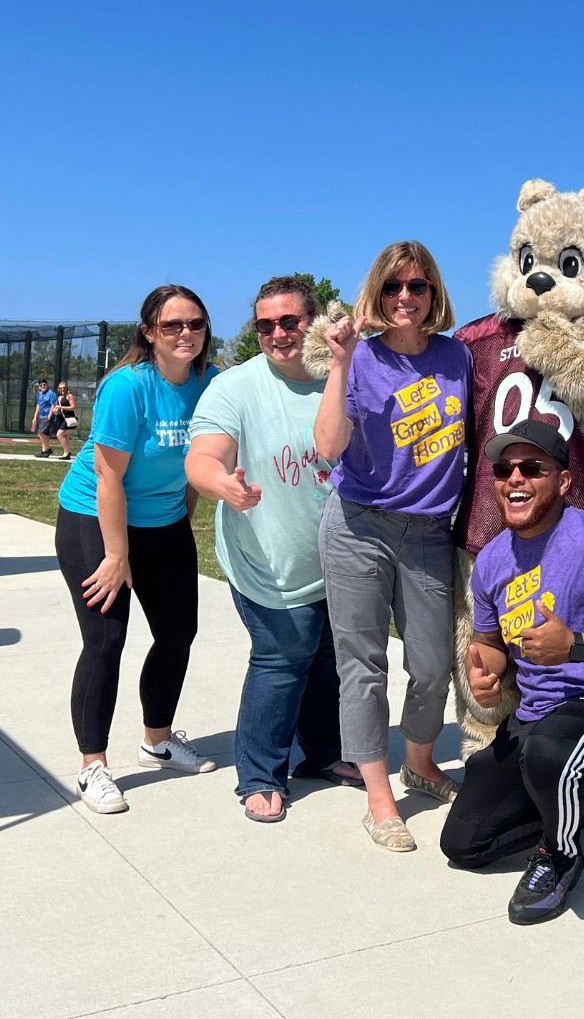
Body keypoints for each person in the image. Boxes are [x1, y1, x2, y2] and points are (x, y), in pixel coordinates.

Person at [440, 420, 584, 924]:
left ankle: (560, 855)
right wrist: (484, 668)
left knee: (551, 754)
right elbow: (489, 642)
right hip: (537, 716)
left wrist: (575, 646)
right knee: (465, 843)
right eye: (504, 469)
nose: (515, 479)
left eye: (532, 468)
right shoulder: (493, 560)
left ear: (564, 482)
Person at [187, 275, 362, 823]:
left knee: (330, 658)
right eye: (265, 324)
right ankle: (260, 774)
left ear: (312, 321)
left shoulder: (347, 372)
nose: (278, 333)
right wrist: (223, 485)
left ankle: (325, 752)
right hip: (268, 562)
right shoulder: (236, 386)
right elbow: (202, 457)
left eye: (290, 321)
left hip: (339, 559)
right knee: (283, 657)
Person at [315, 240, 470, 852]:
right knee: (364, 663)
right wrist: (338, 365)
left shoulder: (457, 358)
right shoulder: (359, 357)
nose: (405, 297)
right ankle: (380, 798)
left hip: (430, 529)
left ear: (434, 293)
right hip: (359, 525)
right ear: (376, 295)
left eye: (418, 286)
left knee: (432, 665)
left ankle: (421, 762)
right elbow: (328, 446)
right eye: (393, 288)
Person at [55, 285, 219, 814]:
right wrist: (117, 556)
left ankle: (158, 740)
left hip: (163, 521)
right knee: (106, 639)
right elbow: (106, 475)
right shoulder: (128, 386)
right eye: (173, 326)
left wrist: (182, 520)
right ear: (150, 332)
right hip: (94, 516)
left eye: (195, 323)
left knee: (177, 633)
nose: (186, 334)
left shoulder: (209, 382)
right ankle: (93, 765)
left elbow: (201, 460)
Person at [32, 378, 58, 457]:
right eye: (41, 385)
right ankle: (44, 451)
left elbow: (53, 405)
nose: (43, 386)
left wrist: (49, 416)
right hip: (41, 416)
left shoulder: (51, 394)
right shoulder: (40, 394)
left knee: (40, 433)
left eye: (44, 384)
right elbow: (38, 405)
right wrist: (35, 417)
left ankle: (48, 449)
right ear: (39, 387)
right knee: (45, 434)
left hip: (48, 416)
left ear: (47, 385)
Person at [52, 381, 77, 460]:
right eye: (60, 388)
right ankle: (66, 452)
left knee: (59, 434)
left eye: (64, 388)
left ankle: (66, 453)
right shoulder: (59, 397)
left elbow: (72, 407)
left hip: (69, 418)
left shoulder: (69, 396)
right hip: (62, 418)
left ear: (67, 388)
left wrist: (61, 407)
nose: (62, 389)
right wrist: (55, 410)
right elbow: (57, 407)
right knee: (65, 436)